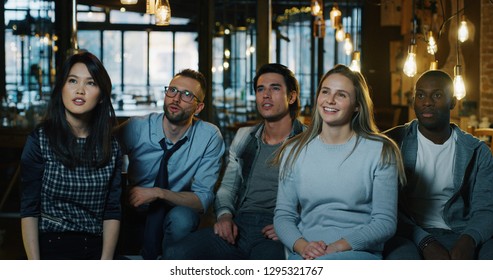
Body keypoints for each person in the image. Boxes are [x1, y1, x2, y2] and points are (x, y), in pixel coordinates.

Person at [163, 63, 304, 260]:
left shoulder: (307, 142)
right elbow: (228, 186)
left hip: (277, 227)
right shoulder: (245, 136)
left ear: (291, 96)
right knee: (175, 254)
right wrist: (225, 216)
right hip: (240, 224)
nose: (266, 95)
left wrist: (292, 225)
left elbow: (320, 197)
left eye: (275, 88)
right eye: (260, 89)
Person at [273, 64, 406, 260]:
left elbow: (384, 223)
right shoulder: (294, 150)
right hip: (307, 254)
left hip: (357, 253)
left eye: (341, 95)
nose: (330, 100)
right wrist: (303, 247)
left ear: (357, 106)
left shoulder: (381, 150)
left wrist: (335, 247)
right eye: (325, 91)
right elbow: (283, 216)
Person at [20, 51, 122, 260]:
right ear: (62, 89)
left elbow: (112, 211)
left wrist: (105, 266)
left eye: (91, 83)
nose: (80, 90)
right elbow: (29, 210)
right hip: (48, 246)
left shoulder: (110, 147)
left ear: (102, 96)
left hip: (93, 247)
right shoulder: (40, 140)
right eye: (73, 81)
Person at [384, 70, 493, 260]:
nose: (427, 102)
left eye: (437, 95)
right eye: (420, 95)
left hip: (461, 231)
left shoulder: (477, 152)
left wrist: (468, 240)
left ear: (453, 102)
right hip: (408, 234)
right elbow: (385, 208)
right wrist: (425, 241)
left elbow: (486, 209)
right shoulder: (392, 143)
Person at [117, 69, 225, 259]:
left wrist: (158, 193)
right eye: (172, 90)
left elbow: (202, 200)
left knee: (183, 218)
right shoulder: (138, 127)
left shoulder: (208, 136)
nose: (176, 99)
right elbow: (99, 153)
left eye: (186, 95)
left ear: (199, 108)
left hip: (174, 208)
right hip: (134, 205)